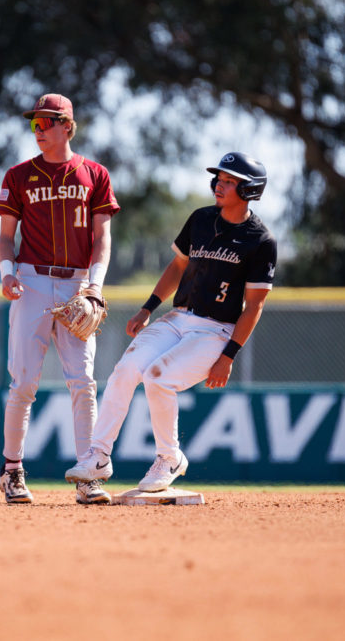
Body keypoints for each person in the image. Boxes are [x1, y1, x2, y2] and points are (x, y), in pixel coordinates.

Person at [65, 152, 277, 492]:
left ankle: (169, 458)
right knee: (126, 370)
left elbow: (254, 306)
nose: (218, 185)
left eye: (229, 181)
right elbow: (178, 266)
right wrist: (147, 308)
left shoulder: (260, 241)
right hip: (178, 317)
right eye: (218, 179)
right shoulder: (201, 219)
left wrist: (228, 356)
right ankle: (99, 456)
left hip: (216, 330)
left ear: (249, 190)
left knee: (158, 378)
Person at [0, 93, 120, 504]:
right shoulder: (18, 175)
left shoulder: (94, 174)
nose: (38, 129)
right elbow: (5, 237)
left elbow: (102, 239)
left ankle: (89, 475)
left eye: (46, 122)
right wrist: (7, 273)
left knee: (83, 381)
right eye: (34, 123)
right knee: (23, 382)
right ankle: (12, 471)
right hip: (31, 280)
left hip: (77, 284)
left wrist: (95, 286)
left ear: (67, 125)